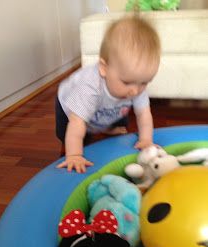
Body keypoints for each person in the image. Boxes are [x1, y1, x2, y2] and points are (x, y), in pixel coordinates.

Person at [55, 13, 161, 173]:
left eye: (144, 82)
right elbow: (76, 123)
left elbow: (144, 114)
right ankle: (71, 148)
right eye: (127, 82)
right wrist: (75, 154)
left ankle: (107, 127)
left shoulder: (135, 85)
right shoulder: (89, 87)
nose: (135, 90)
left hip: (107, 105)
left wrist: (146, 140)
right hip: (70, 107)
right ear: (104, 68)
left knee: (122, 115)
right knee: (74, 133)